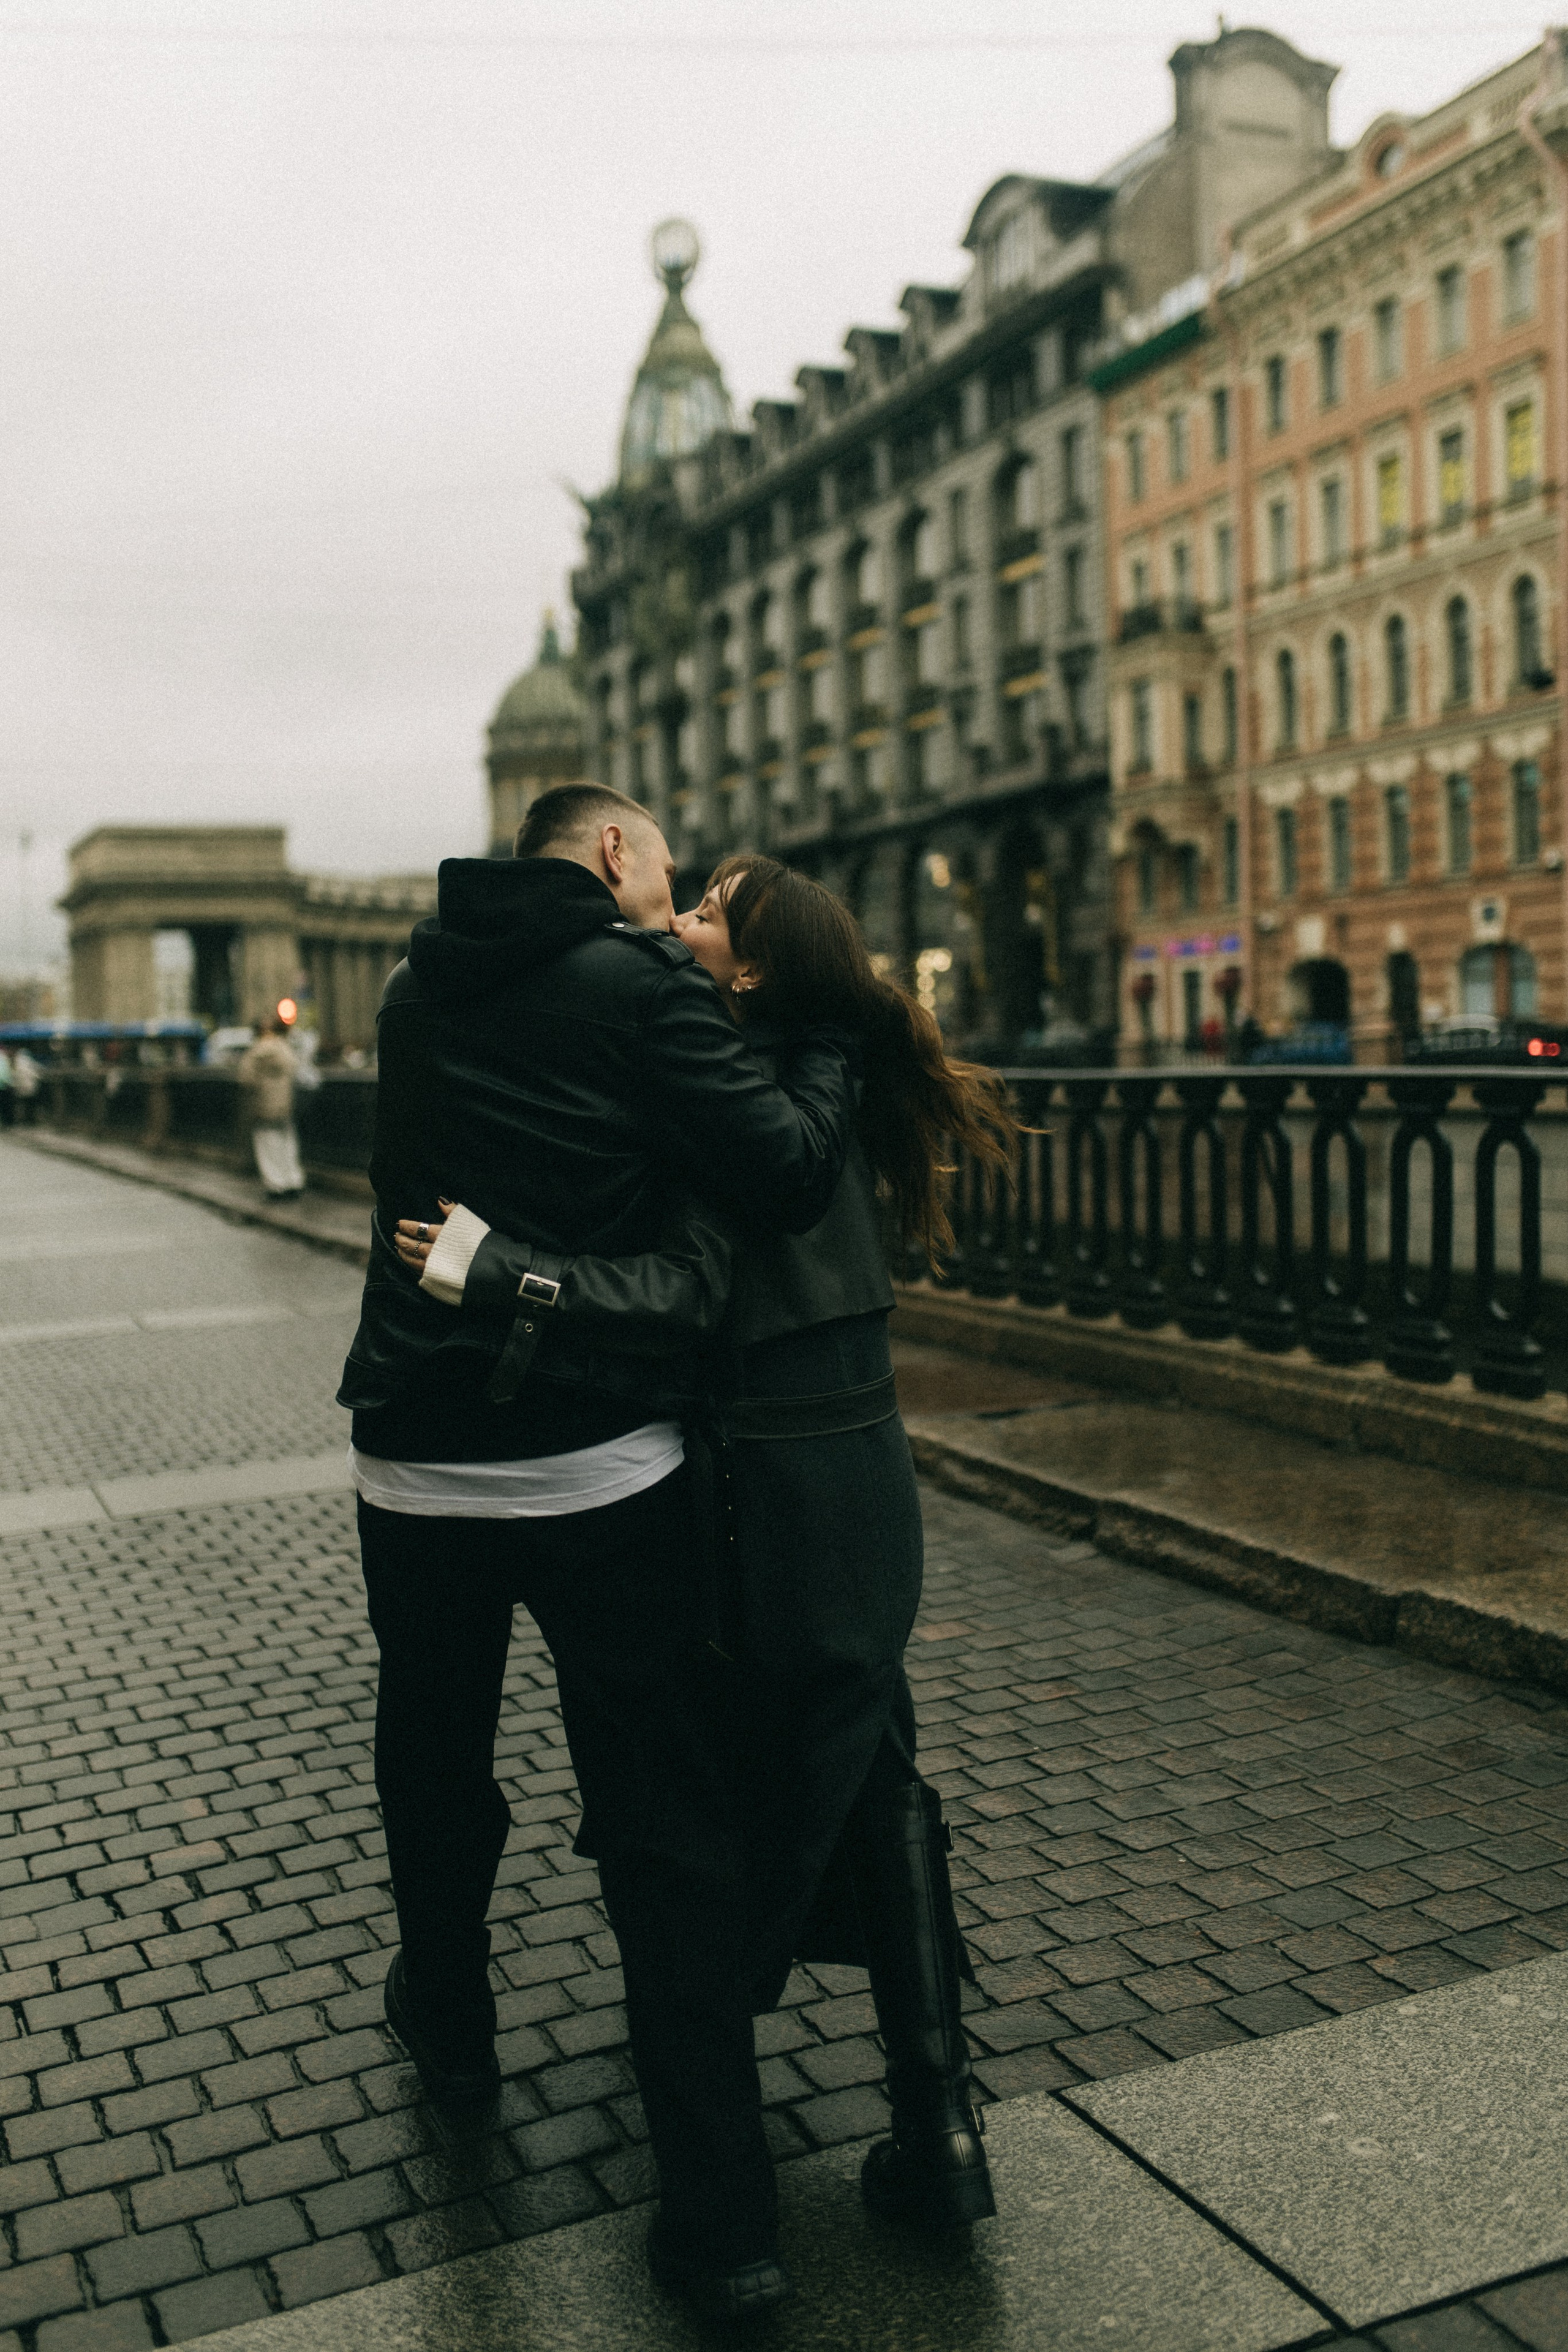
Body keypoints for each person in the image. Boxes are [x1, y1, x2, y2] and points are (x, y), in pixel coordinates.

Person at [396, 853, 1017, 2257]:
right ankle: (939, 2129)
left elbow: (678, 1292)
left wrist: (498, 1272)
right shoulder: (821, 1063)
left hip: (765, 1485)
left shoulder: (727, 1096)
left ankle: (722, 2048)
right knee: (875, 1766)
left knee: (727, 1788)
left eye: (701, 915)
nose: (668, 923)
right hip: (863, 1473)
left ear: (745, 967)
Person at [339, 786, 858, 2322]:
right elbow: (779, 1172)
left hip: (412, 1448)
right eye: (663, 863)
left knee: (430, 1748)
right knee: (659, 1813)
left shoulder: (410, 984)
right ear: (618, 855)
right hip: (596, 1458)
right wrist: (825, 1034)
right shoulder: (638, 987)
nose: (671, 890)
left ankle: (448, 2017)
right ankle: (719, 2223)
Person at [238, 1014, 304, 1197]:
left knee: (267, 1145)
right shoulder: (284, 1048)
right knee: (288, 1143)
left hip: (263, 1105)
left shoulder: (255, 1052)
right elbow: (295, 1069)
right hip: (285, 1104)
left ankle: (276, 1185)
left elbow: (245, 1078)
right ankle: (293, 1181)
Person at [11, 1047, 40, 1126]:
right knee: (31, 1105)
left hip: (20, 1088)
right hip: (31, 1087)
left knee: (22, 1105)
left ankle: (23, 1120)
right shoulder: (31, 1062)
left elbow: (14, 1075)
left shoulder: (16, 1063)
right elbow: (38, 1074)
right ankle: (31, 1120)